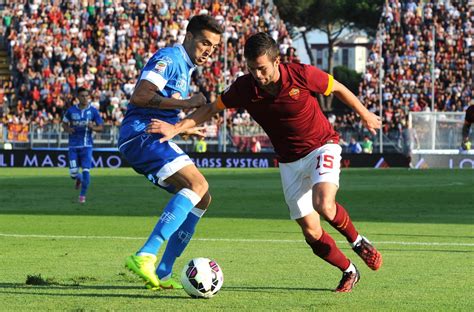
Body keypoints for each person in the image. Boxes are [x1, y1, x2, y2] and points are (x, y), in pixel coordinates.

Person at [147, 32, 383, 293]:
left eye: (261, 69)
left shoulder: (301, 74)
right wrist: (177, 128)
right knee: (312, 233)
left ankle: (359, 242)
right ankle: (349, 270)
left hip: (321, 146)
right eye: (251, 69)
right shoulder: (245, 87)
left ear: (276, 61)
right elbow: (212, 108)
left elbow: (337, 87)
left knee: (324, 204)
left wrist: (365, 114)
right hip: (289, 162)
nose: (257, 75)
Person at [117, 15, 223, 290]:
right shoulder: (169, 58)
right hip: (140, 134)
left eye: (213, 47)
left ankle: (163, 272)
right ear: (188, 37)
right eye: (204, 43)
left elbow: (157, 109)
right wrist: (187, 103)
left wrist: (182, 129)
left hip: (148, 135)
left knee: (202, 199)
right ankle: (145, 254)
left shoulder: (186, 67)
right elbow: (140, 96)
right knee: (197, 184)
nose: (209, 51)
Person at [62, 87, 104, 203]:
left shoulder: (93, 111)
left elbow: (101, 127)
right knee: (73, 173)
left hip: (87, 146)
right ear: (78, 97)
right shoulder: (71, 111)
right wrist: (68, 129)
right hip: (73, 146)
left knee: (86, 170)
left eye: (87, 96)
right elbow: (64, 124)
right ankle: (78, 179)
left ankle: (82, 196)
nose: (85, 98)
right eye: (82, 96)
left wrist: (93, 127)